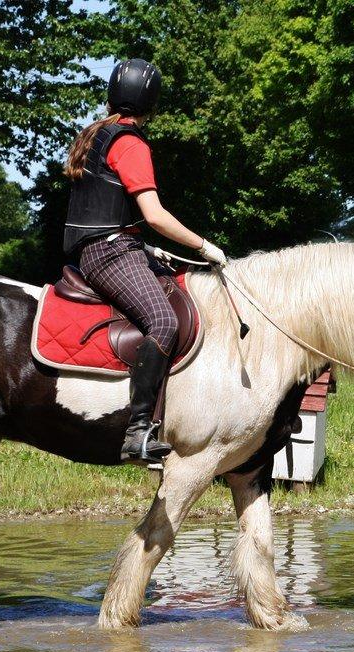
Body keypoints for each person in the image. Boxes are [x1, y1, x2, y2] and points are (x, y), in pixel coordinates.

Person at [63, 58, 227, 464]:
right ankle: (138, 429)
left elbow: (107, 211)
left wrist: (144, 247)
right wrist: (204, 247)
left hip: (108, 246)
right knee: (164, 320)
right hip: (109, 253)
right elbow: (154, 215)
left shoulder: (97, 134)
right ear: (151, 102)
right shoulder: (130, 143)